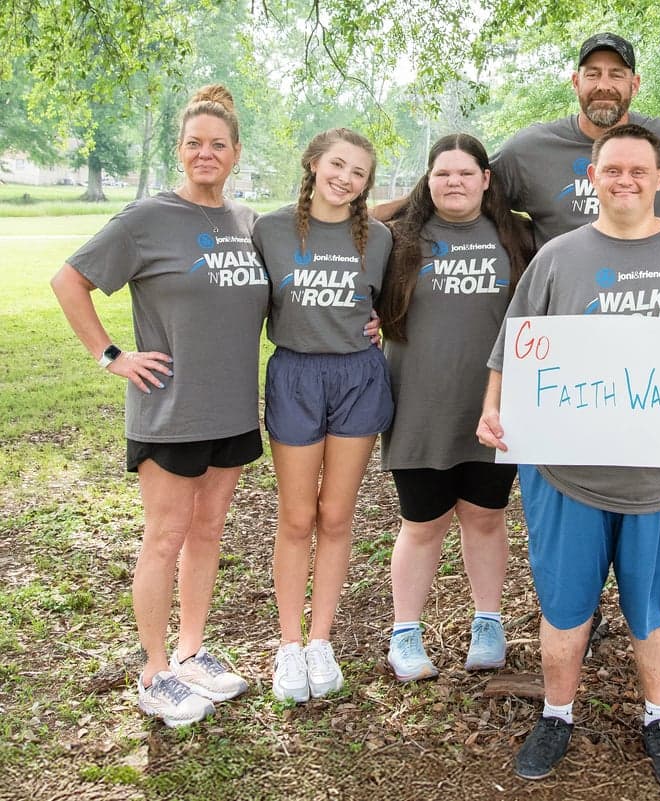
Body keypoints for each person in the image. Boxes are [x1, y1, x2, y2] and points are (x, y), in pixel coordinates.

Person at [477, 124, 660, 789]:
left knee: (656, 608)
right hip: (566, 474)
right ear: (593, 179)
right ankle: (556, 712)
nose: (625, 180)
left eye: (639, 170)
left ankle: (659, 717)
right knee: (566, 608)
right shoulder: (559, 257)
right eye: (612, 170)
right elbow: (512, 342)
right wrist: (495, 407)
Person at [50, 85, 267, 727]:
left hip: (232, 411)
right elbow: (70, 280)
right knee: (165, 537)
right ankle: (154, 671)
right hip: (170, 411)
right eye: (195, 143)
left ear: (235, 154)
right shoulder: (147, 218)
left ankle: (193, 652)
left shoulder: (248, 223)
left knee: (207, 533)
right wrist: (111, 355)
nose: (207, 153)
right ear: (180, 150)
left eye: (218, 144)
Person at [377, 134, 533, 682]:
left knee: (486, 517)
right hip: (419, 403)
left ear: (486, 179)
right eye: (443, 173)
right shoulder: (398, 239)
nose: (455, 183)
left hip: (494, 405)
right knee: (421, 521)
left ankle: (488, 622)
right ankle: (405, 633)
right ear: (428, 179)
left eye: (466, 173)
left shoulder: (516, 237)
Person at [254, 128, 393, 704]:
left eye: (359, 172)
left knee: (336, 516)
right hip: (295, 376)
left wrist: (382, 321)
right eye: (338, 164)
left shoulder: (379, 238)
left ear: (367, 185)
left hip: (357, 377)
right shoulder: (269, 229)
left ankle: (320, 640)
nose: (346, 178)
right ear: (313, 164)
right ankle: (288, 643)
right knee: (296, 516)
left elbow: (386, 303)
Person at [489, 32, 660, 249]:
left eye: (616, 74)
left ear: (635, 84)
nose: (604, 85)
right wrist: (518, 247)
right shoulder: (529, 150)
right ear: (576, 82)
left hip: (649, 280)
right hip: (569, 281)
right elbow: (471, 194)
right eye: (593, 74)